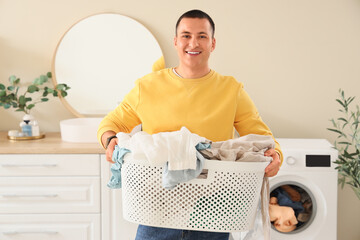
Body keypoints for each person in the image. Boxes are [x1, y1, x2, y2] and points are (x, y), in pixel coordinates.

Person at [97, 9, 283, 240]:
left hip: (214, 206)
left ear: (213, 43)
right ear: (175, 42)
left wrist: (276, 155)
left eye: (202, 36)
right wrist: (110, 139)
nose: (193, 43)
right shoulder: (147, 87)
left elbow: (259, 134)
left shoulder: (230, 89)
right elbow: (111, 123)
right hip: (158, 207)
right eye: (186, 35)